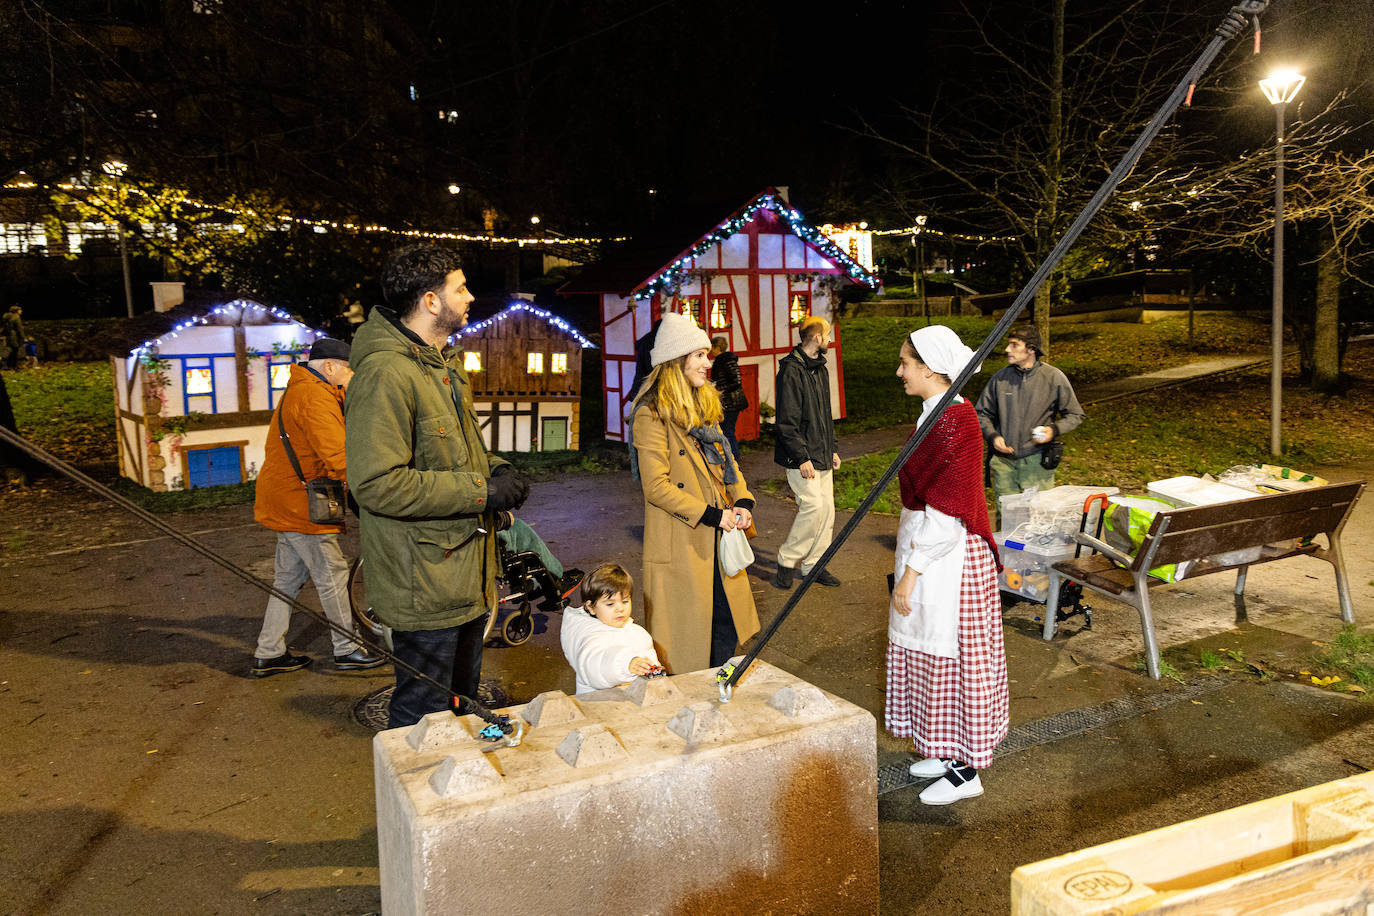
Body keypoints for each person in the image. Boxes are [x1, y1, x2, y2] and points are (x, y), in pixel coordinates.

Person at [345, 244, 530, 728]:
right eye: (460, 288)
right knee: (423, 718)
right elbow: (377, 484)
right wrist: (480, 492)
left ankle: (457, 797)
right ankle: (418, 800)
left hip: (462, 577)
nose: (470, 298)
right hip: (423, 583)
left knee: (458, 706)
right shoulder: (387, 373)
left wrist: (499, 469)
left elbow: (456, 454)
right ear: (430, 301)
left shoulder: (439, 365)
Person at [888, 325, 1008, 806]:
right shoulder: (932, 415)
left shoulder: (954, 421)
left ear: (931, 369)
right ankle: (946, 749)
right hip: (931, 550)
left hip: (949, 560)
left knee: (956, 663)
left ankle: (968, 771)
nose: (899, 371)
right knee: (933, 660)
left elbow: (948, 512)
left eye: (905, 363)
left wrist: (910, 574)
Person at [630, 311, 759, 672]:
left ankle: (719, 697)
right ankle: (696, 706)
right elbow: (656, 486)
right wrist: (714, 516)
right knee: (692, 642)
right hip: (686, 541)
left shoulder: (705, 406)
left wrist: (743, 500)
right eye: (699, 355)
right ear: (676, 361)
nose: (708, 362)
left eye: (707, 354)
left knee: (726, 628)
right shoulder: (651, 414)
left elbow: (727, 461)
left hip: (719, 536)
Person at [251, 338, 385, 677]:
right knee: (333, 575)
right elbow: (339, 457)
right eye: (349, 368)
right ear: (329, 367)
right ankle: (347, 648)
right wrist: (376, 489)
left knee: (287, 580)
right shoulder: (314, 397)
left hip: (288, 498)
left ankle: (269, 652)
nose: (352, 375)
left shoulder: (306, 390)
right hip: (301, 504)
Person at [975, 325, 1085, 523]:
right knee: (1007, 519)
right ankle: (1007, 555)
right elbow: (981, 413)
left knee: (1039, 519)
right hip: (1004, 462)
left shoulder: (1053, 377)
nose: (1007, 349)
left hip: (1036, 462)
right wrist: (993, 436)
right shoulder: (1000, 379)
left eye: (1014, 345)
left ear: (1031, 349)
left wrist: (1054, 430)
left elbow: (1075, 415)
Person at [771, 315, 842, 589]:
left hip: (821, 452)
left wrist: (832, 448)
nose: (830, 340)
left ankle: (815, 565)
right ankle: (787, 560)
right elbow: (786, 422)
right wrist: (801, 457)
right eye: (827, 335)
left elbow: (825, 414)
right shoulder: (791, 370)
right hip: (802, 457)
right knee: (813, 507)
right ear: (815, 338)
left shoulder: (820, 369)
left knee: (827, 511)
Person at [560, 562, 660, 695]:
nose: (620, 608)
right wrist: (625, 664)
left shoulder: (638, 633)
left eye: (625, 601)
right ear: (591, 607)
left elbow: (651, 664)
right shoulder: (589, 637)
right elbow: (595, 665)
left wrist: (654, 674)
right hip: (598, 705)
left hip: (632, 702)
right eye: (610, 604)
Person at [708, 335, 747, 462]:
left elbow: (736, 381)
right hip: (729, 402)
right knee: (727, 430)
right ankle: (732, 458)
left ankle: (733, 459)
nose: (710, 351)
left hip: (730, 403)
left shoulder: (726, 360)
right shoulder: (723, 360)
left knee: (727, 431)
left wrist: (718, 388)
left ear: (717, 347)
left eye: (712, 348)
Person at [2, 306, 23, 371]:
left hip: (8, 335)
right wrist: (23, 337)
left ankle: (8, 365)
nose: (21, 311)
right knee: (15, 351)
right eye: (20, 310)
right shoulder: (16, 317)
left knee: (11, 350)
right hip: (14, 336)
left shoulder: (7, 316)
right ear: (16, 311)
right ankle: (14, 366)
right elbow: (19, 329)